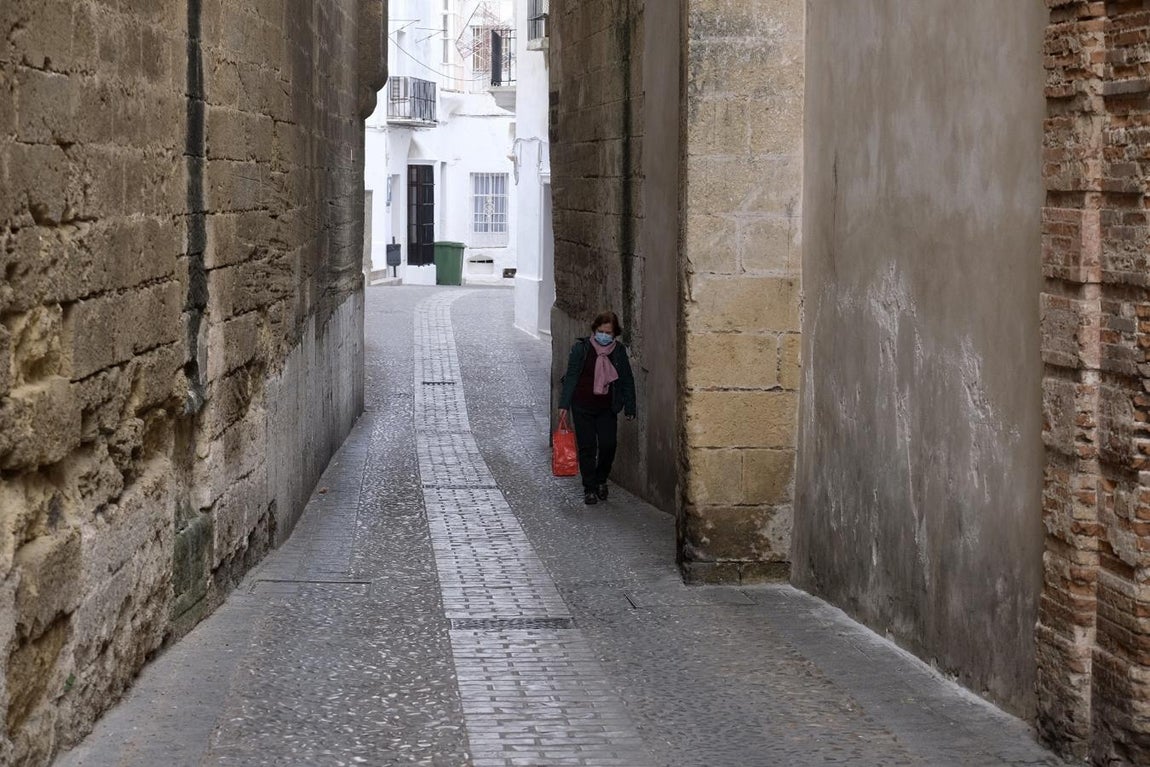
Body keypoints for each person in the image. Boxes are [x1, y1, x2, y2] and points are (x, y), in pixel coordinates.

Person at [558, 311, 637, 505]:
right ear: (595, 330)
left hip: (607, 408)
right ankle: (590, 488)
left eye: (608, 332)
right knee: (587, 448)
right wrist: (564, 405)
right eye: (600, 331)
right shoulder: (581, 349)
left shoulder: (618, 352)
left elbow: (626, 379)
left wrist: (630, 407)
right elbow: (571, 377)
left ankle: (602, 479)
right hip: (582, 406)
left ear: (614, 334)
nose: (603, 335)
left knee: (608, 445)